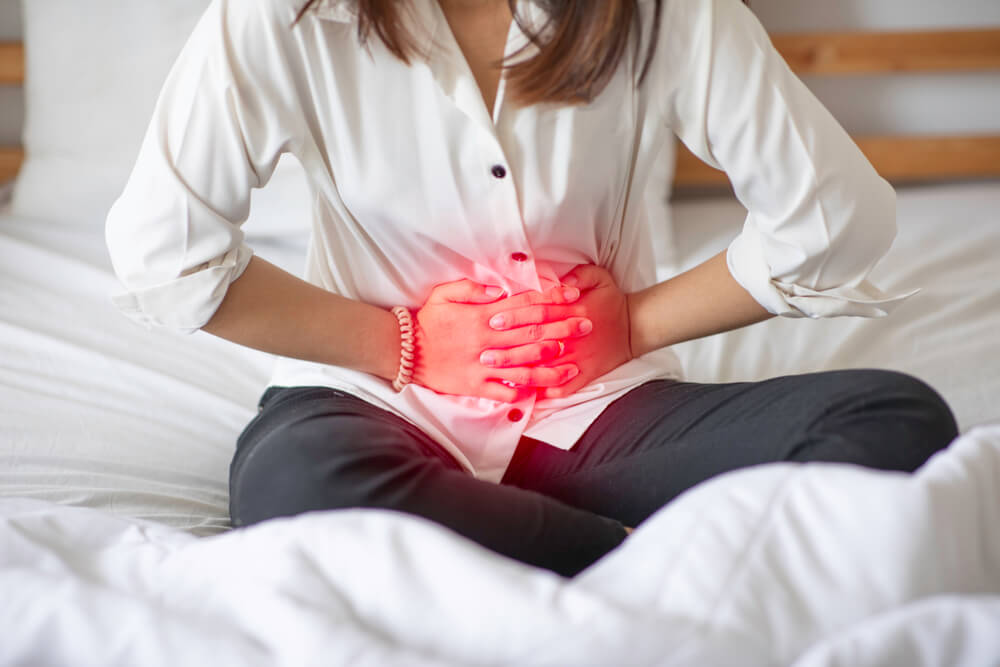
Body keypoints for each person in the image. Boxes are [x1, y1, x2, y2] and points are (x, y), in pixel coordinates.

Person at [105, 0, 958, 577]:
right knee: (297, 487)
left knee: (895, 423)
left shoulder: (660, 13)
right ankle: (630, 558)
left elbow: (837, 216)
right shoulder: (283, 17)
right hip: (375, 402)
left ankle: (506, 541)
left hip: (594, 413)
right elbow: (163, 254)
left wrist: (631, 324)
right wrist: (402, 341)